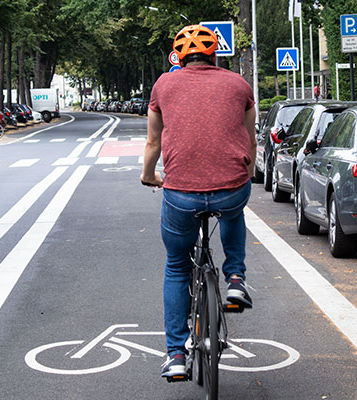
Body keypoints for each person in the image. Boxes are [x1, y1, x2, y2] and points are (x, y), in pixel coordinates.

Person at [140, 24, 257, 380]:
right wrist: (245, 173)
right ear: (214, 54)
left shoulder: (163, 85)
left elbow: (153, 143)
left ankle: (176, 354)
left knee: (177, 265)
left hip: (181, 194)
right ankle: (235, 277)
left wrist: (149, 175)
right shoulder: (239, 85)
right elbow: (250, 140)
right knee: (234, 208)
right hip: (230, 186)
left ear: (179, 56)